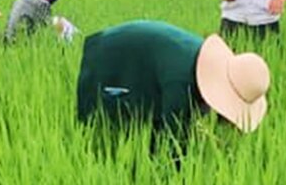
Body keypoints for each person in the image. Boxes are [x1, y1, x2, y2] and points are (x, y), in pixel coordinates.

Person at [76, 20, 271, 148]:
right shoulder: (182, 83)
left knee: (144, 122)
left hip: (146, 58)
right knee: (106, 125)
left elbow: (188, 114)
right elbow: (172, 142)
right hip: (111, 58)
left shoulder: (205, 67)